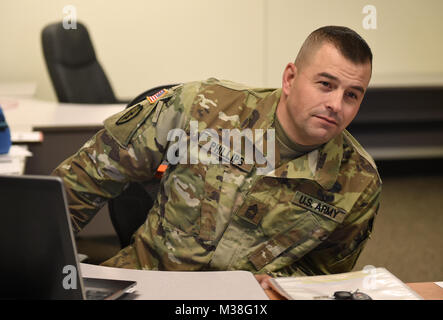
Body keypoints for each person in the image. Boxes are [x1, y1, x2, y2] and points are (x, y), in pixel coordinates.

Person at [52, 25, 381, 289]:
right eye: (326, 84)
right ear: (291, 78)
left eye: (352, 95)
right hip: (147, 281)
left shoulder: (358, 182)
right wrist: (42, 261)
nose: (336, 105)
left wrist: (279, 286)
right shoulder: (202, 107)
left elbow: (324, 277)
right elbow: (85, 178)